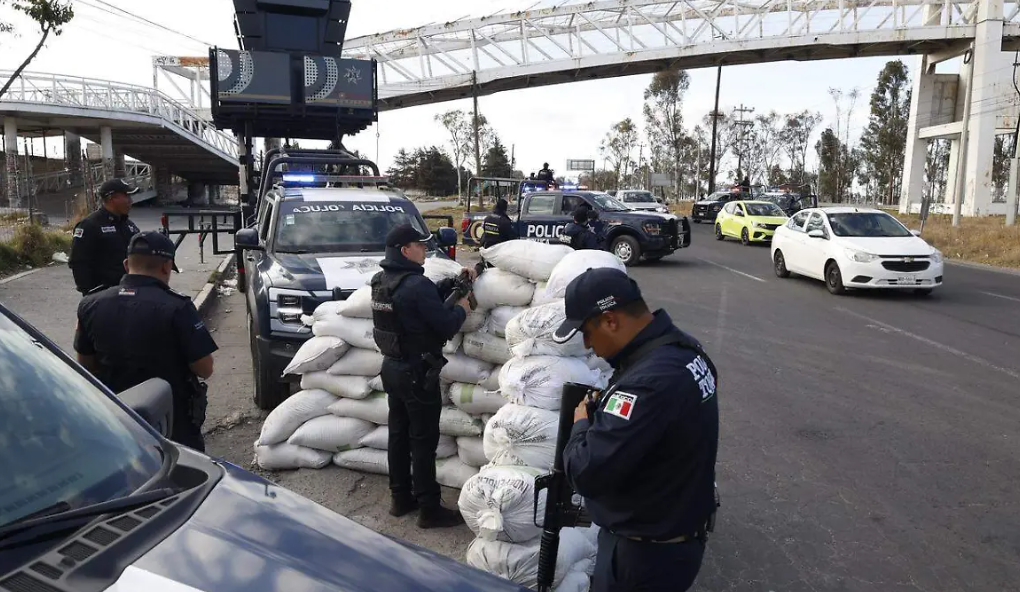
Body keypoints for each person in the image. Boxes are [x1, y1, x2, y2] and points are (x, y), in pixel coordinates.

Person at [553, 267, 719, 592]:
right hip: (672, 538)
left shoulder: (646, 384)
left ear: (610, 320)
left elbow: (586, 471)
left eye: (587, 332)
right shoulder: (685, 349)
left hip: (643, 557)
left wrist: (581, 423)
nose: (588, 345)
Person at [370, 224, 476, 529]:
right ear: (405, 250)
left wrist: (453, 284)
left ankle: (400, 498)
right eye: (419, 245)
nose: (425, 250)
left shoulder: (381, 282)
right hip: (418, 373)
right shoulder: (416, 285)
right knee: (423, 441)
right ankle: (429, 509)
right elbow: (445, 324)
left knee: (398, 436)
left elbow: (418, 305)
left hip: (392, 368)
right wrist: (463, 308)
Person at [74, 231, 218, 451]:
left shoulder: (90, 304)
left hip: (116, 418)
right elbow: (205, 368)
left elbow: (85, 364)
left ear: (126, 264)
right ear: (166, 267)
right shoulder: (178, 307)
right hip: (171, 423)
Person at [69, 178, 142, 295]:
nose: (130, 201)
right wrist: (89, 293)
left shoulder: (129, 225)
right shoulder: (90, 225)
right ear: (111, 198)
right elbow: (78, 262)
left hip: (129, 292)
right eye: (126, 196)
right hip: (103, 295)